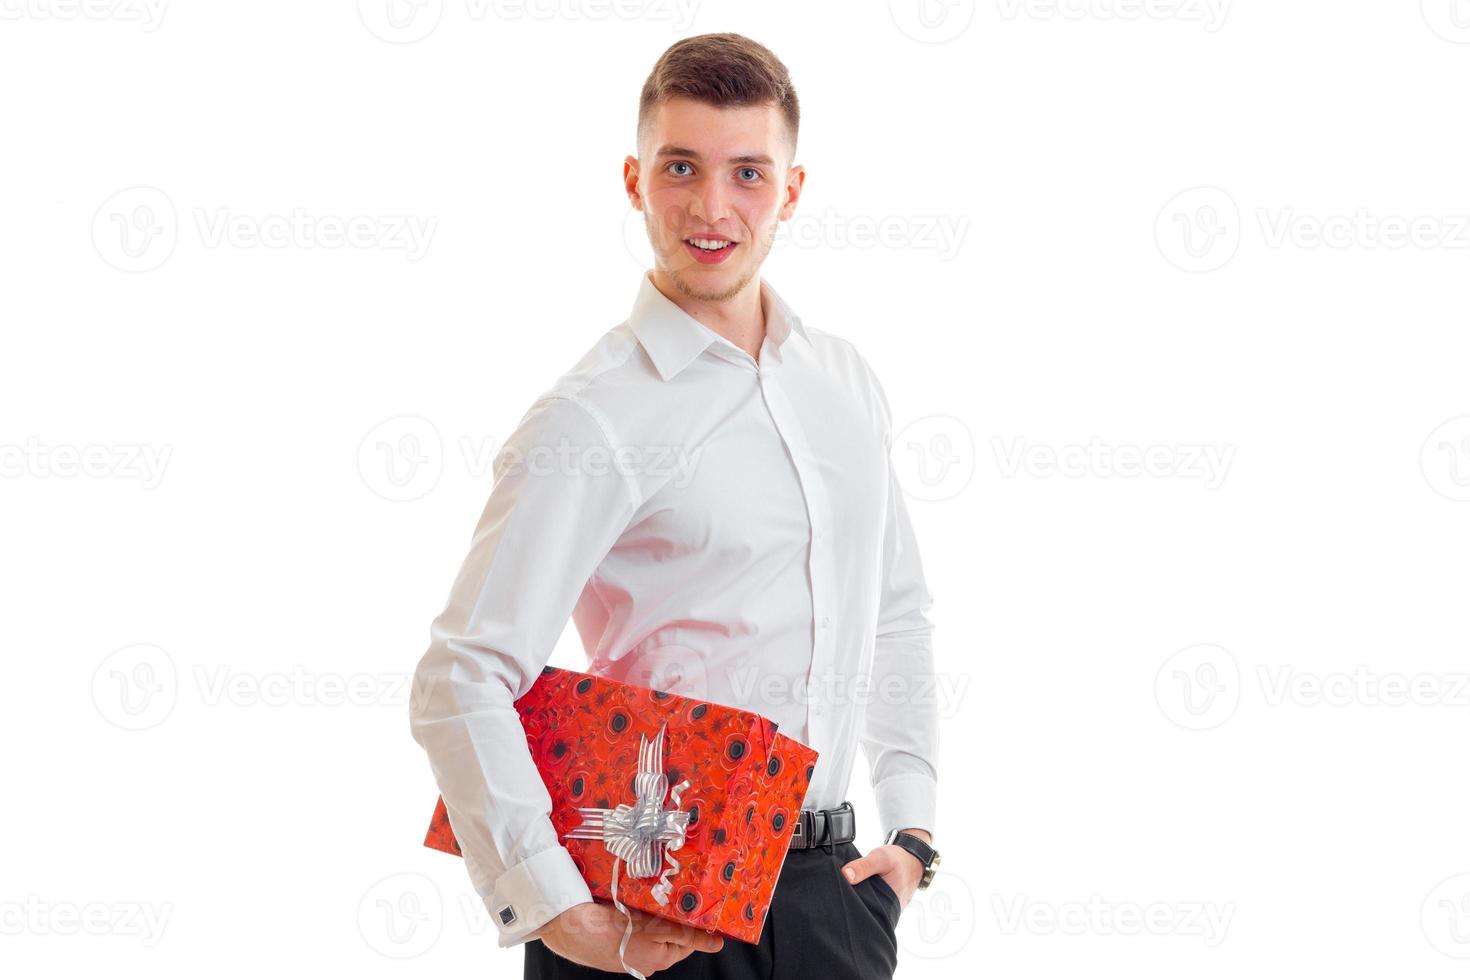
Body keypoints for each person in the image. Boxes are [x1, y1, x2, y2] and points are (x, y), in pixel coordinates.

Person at [408, 32, 940, 980]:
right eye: (681, 167)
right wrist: (560, 913)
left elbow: (894, 608)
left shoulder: (843, 381)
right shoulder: (592, 416)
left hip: (836, 897)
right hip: (656, 909)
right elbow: (461, 674)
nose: (711, 207)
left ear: (792, 190)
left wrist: (913, 830)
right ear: (634, 179)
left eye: (747, 173)